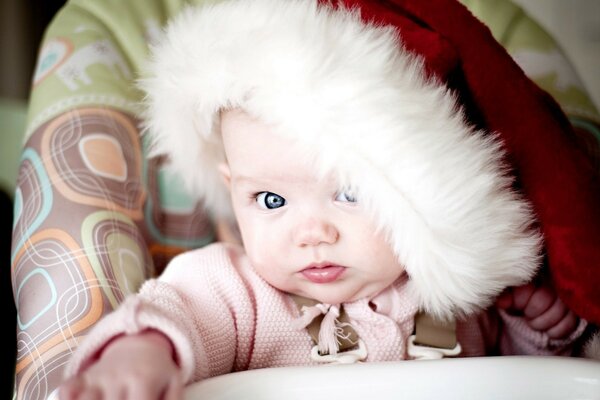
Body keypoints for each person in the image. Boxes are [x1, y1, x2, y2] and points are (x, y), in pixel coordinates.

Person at [57, 1, 591, 398]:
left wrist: (541, 329)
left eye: (348, 191)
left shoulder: (462, 301)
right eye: (270, 200)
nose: (311, 233)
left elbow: (538, 385)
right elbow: (178, 312)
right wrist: (142, 350)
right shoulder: (234, 293)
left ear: (424, 193)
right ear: (231, 185)